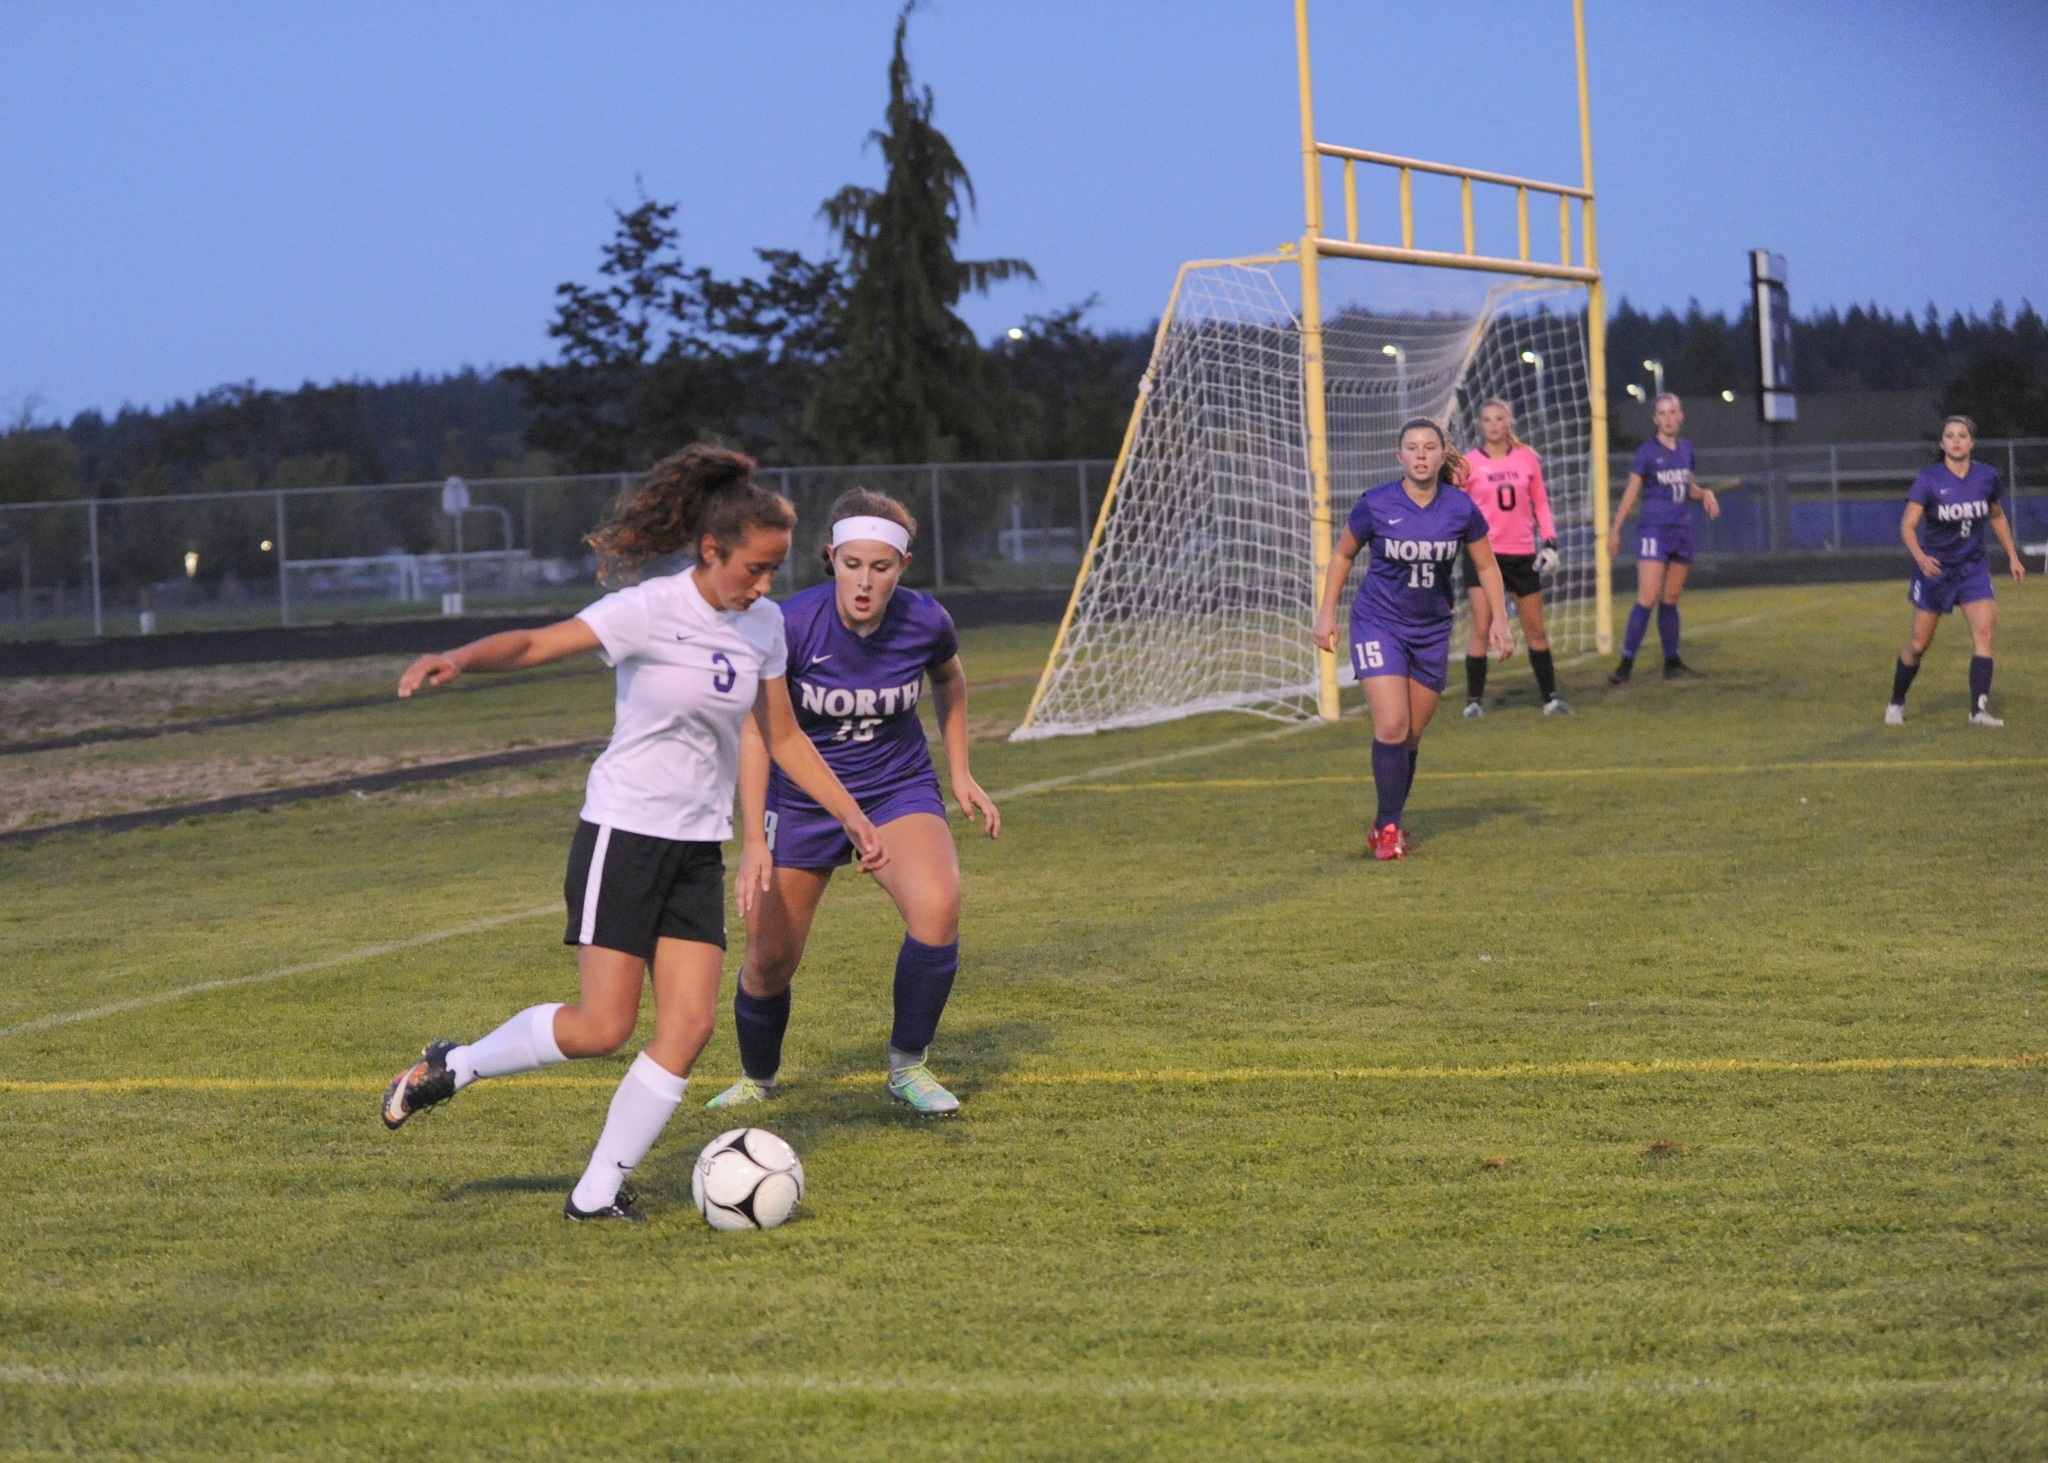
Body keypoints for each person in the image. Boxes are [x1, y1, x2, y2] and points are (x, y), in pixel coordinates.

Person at [378, 446, 888, 1224]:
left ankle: (594, 1195)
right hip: (624, 832)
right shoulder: (649, 609)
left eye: (776, 569)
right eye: (754, 567)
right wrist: (460, 657)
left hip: (695, 848)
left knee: (689, 1025)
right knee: (603, 1027)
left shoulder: (763, 628)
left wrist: (850, 812)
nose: (766, 585)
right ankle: (459, 1063)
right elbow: (539, 643)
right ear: (712, 551)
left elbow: (781, 735)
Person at [707, 489, 1001, 1117]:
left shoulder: (926, 620)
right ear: (831, 557)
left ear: (903, 565)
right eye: (852, 564)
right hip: (802, 801)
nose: (864, 582)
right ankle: (758, 1078)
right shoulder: (788, 625)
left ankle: (907, 1068)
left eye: (882, 567)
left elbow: (949, 677)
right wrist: (754, 840)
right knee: (768, 961)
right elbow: (759, 732)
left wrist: (961, 772)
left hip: (896, 787)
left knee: (938, 908)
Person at [1313, 418, 1515, 860]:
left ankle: (1387, 819)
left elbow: (1486, 567)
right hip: (1378, 623)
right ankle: (1389, 828)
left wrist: (1499, 619)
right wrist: (1327, 611)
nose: (1421, 454)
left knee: (1411, 737)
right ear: (1399, 456)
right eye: (1412, 447)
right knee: (1391, 725)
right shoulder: (1376, 504)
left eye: (1429, 447)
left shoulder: (1460, 508)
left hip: (1431, 630)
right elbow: (1344, 553)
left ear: (1442, 455)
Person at [1885, 415, 2027, 725]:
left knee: (1985, 636)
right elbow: (1908, 527)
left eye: (1962, 435)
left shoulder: (1987, 477)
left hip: (1973, 569)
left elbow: (1997, 516)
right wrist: (1921, 558)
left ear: (1971, 442)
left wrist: (2013, 557)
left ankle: (1978, 711)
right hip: (1936, 572)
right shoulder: (1929, 479)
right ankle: (1896, 701)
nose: (1956, 440)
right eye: (1949, 435)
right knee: (1918, 645)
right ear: (1942, 443)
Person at [1457, 398, 1569, 717]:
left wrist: (1550, 541)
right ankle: (1474, 703)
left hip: (1521, 554)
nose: (1493, 425)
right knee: (1481, 626)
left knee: (1535, 628)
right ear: (1481, 425)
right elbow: (1458, 511)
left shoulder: (1526, 458)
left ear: (1509, 423)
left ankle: (1550, 698)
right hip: (1482, 557)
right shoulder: (1468, 464)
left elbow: (1541, 504)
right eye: (1487, 420)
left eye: (1499, 419)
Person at [1606, 393, 1721, 683]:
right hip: (1654, 530)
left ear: (1680, 416)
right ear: (1655, 418)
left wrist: (1705, 493)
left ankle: (1672, 662)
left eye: (1673, 412)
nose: (1668, 418)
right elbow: (1632, 492)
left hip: (1680, 530)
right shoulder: (1646, 452)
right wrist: (1615, 528)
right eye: (1662, 413)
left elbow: (1688, 487)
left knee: (1670, 598)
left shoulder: (1687, 449)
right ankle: (1625, 665)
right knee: (1647, 597)